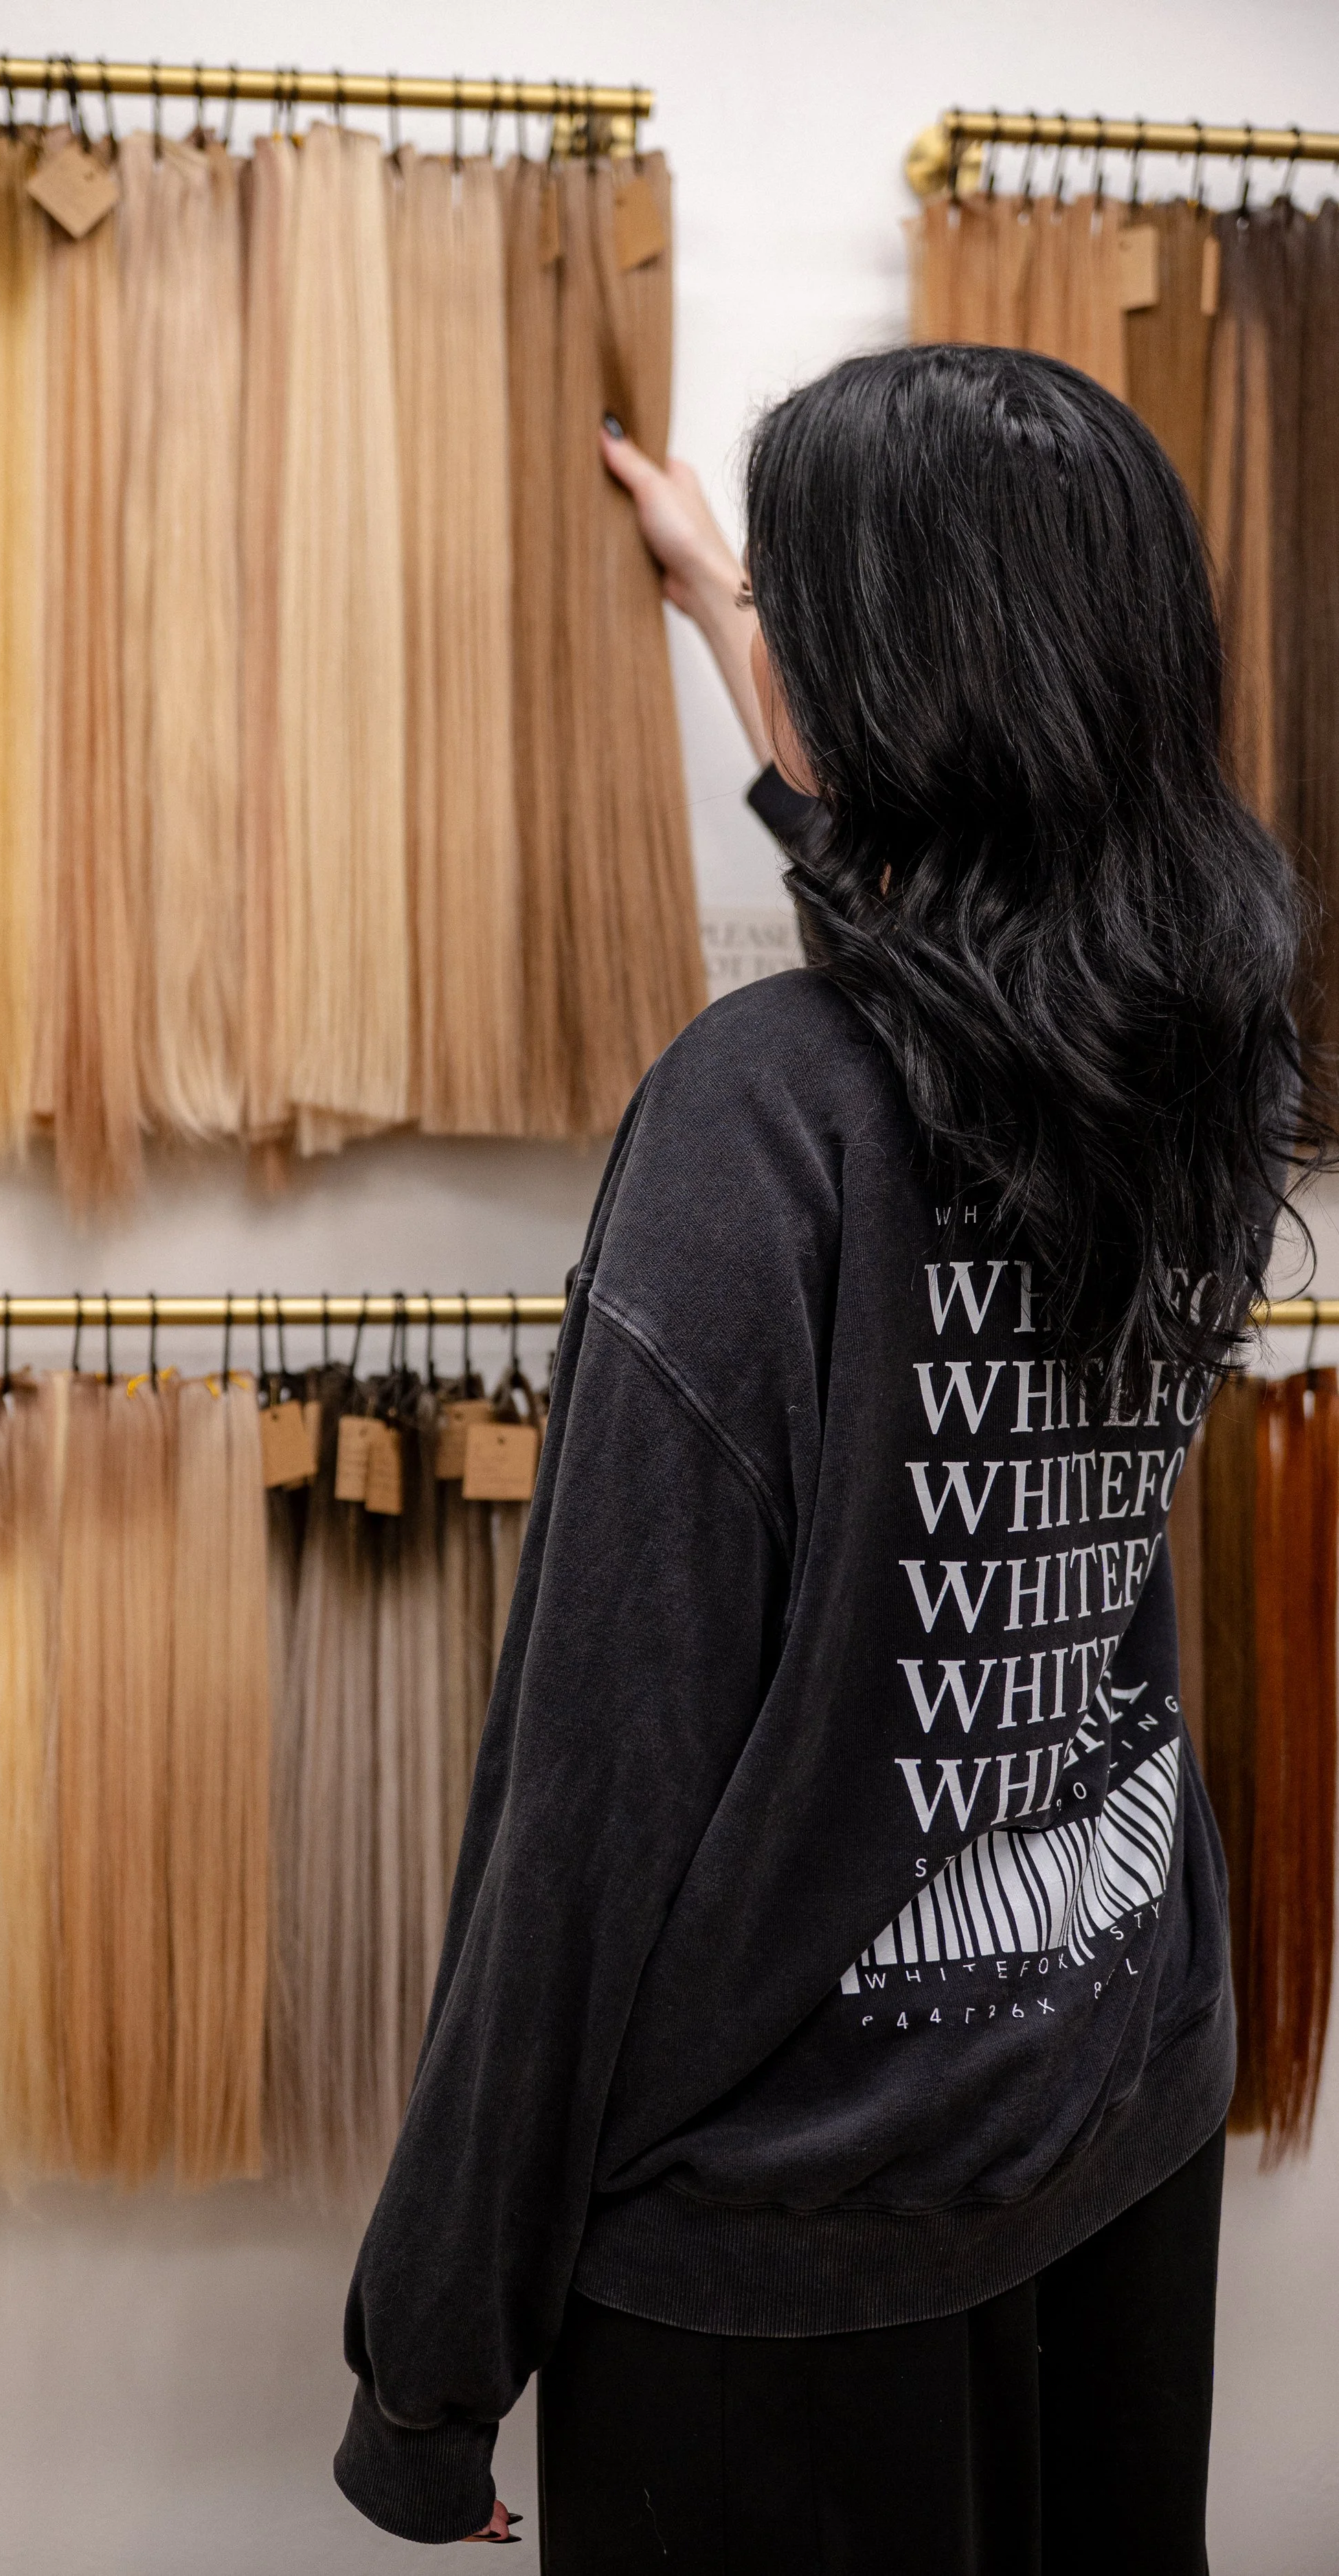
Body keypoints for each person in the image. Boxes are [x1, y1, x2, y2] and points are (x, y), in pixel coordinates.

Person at [334, 345, 1307, 2573]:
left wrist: (428, 2357)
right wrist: (715, 616)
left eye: (806, 605)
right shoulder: (1199, 1062)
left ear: (904, 681)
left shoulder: (757, 1118)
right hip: (1107, 2100)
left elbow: (585, 1789)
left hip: (788, 2238)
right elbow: (953, 955)